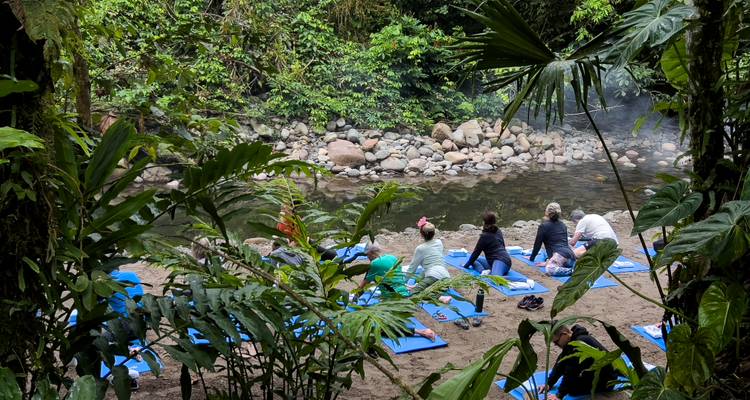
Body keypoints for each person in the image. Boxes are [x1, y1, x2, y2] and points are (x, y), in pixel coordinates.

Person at [356, 245, 437, 341]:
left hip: (394, 303)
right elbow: (397, 279)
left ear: (371, 253)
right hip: (406, 299)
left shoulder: (374, 264)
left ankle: (422, 332)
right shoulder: (393, 257)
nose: (367, 258)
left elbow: (362, 287)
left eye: (367, 256)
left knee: (379, 329)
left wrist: (354, 298)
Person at [538, 324, 621, 400]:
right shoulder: (573, 340)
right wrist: (549, 383)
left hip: (606, 381)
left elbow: (571, 371)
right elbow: (561, 362)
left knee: (572, 390)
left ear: (564, 334)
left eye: (556, 342)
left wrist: (559, 395)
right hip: (595, 372)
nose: (556, 345)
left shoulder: (580, 343)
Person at [529, 203, 576, 276]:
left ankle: (573, 271)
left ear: (547, 212)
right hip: (571, 257)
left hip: (560, 256)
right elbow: (565, 243)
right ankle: (567, 267)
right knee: (546, 254)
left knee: (550, 269)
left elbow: (537, 244)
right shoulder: (563, 225)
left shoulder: (543, 226)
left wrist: (532, 258)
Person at [405, 222, 451, 294]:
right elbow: (431, 265)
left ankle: (441, 298)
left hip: (432, 277)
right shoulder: (439, 242)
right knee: (431, 289)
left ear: (421, 235)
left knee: (412, 293)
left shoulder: (420, 248)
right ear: (434, 233)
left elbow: (412, 268)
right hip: (447, 278)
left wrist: (402, 283)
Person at [462, 211, 513, 275]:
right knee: (474, 260)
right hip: (496, 261)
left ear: (484, 222)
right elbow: (503, 246)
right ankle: (484, 272)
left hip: (501, 261)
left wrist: (465, 266)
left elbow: (476, 253)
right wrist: (467, 264)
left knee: (495, 278)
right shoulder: (498, 230)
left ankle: (525, 280)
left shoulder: (484, 236)